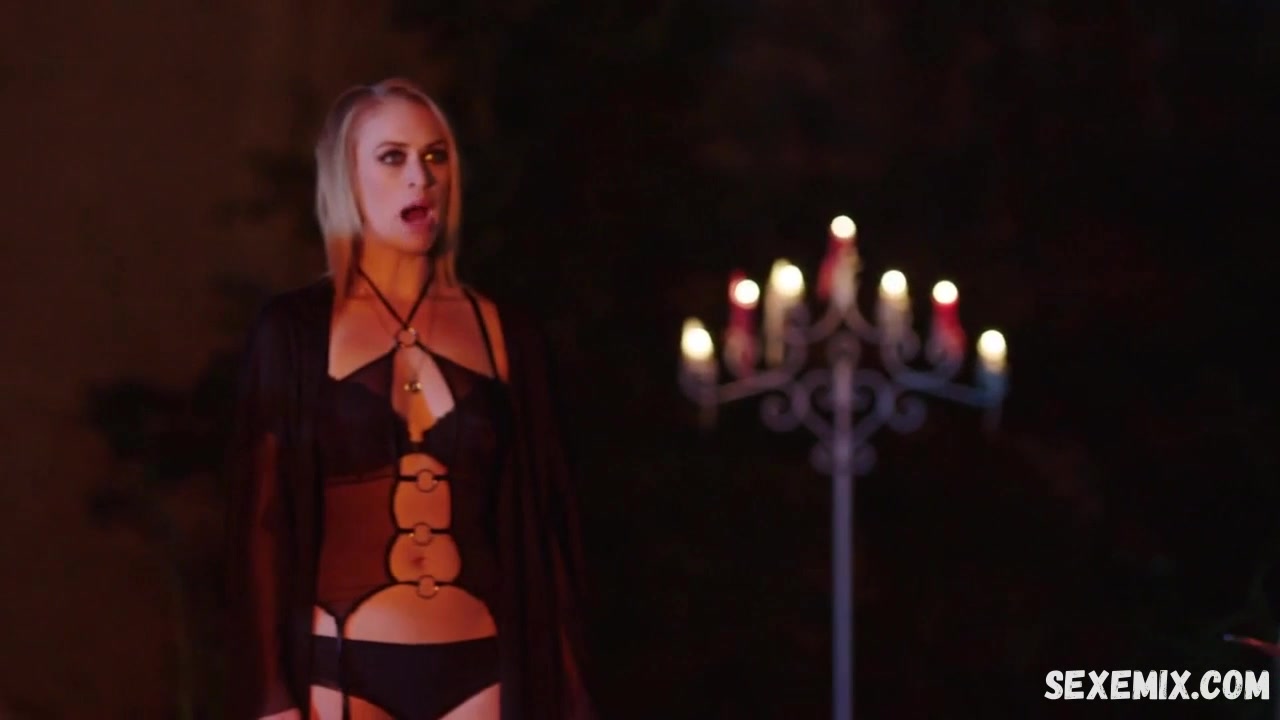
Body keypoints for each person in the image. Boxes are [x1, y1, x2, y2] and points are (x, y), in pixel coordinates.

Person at [223, 78, 596, 720]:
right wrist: (270, 695)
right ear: (348, 177)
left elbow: (549, 526)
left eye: (435, 156)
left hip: (481, 666)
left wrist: (575, 695)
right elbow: (260, 520)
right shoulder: (295, 330)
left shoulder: (506, 332)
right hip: (342, 665)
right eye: (392, 158)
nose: (420, 178)